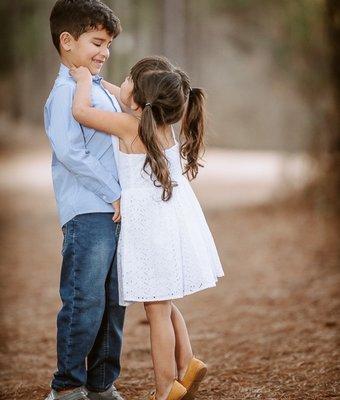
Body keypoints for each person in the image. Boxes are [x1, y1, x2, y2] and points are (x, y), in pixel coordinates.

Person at [70, 55, 224, 400]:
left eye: (127, 79)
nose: (121, 82)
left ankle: (167, 387)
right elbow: (122, 96)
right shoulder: (159, 125)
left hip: (149, 231)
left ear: (139, 101)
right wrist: (98, 81)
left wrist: (82, 83)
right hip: (169, 225)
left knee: (156, 312)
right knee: (163, 303)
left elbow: (81, 113)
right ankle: (188, 362)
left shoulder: (129, 126)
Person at [43, 1, 125, 399]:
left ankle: (102, 384)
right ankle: (68, 386)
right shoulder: (64, 94)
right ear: (67, 41)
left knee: (114, 301)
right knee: (84, 299)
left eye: (108, 43)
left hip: (114, 211)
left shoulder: (93, 89)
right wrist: (116, 193)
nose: (104, 51)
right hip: (89, 212)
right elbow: (72, 153)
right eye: (97, 41)